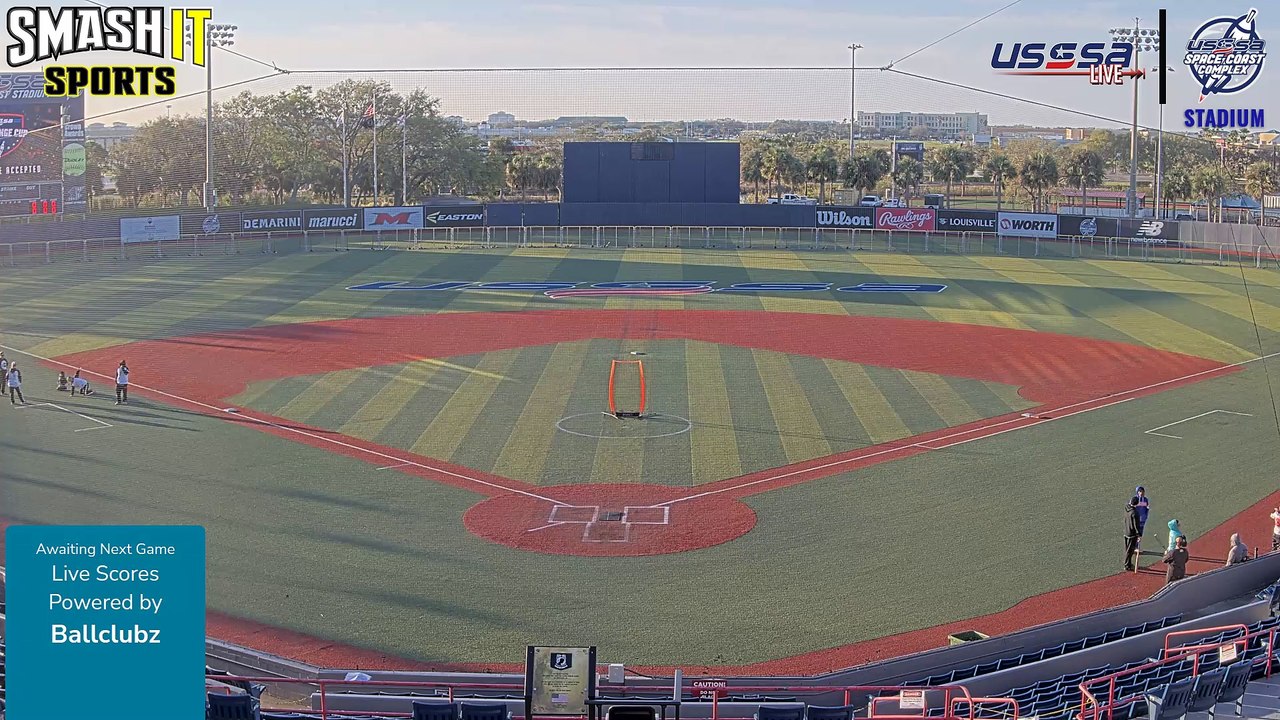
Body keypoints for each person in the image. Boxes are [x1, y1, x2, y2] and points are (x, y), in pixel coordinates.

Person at [1124, 497, 1142, 572]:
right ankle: (1127, 565)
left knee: (1127, 549)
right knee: (1130, 550)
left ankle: (1128, 563)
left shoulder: (1126, 508)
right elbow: (1136, 525)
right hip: (1132, 534)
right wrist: (1139, 534)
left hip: (1126, 531)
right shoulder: (1135, 513)